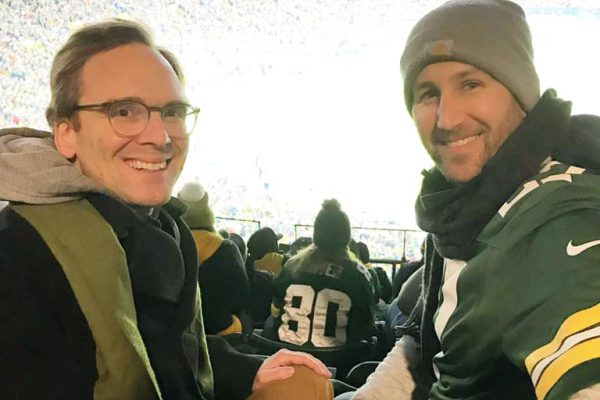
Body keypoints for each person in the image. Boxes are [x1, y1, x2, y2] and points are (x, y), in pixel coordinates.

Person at [0, 19, 332, 400]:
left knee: (301, 382)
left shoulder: (159, 228)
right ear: (66, 133)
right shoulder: (18, 257)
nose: (160, 137)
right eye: (124, 111)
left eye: (172, 111)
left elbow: (164, 351)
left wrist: (250, 371)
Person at [343, 1, 600, 399]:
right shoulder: (465, 211)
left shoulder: (560, 219)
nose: (446, 119)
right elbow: (426, 356)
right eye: (428, 93)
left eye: (471, 84)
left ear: (519, 91)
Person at [266, 199, 376, 348]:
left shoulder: (292, 266)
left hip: (288, 355)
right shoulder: (358, 273)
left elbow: (276, 310)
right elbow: (366, 324)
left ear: (316, 233)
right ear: (346, 236)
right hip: (339, 363)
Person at [178, 181, 250, 336]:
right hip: (219, 330)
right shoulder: (226, 249)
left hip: (172, 331)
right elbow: (240, 298)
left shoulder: (163, 243)